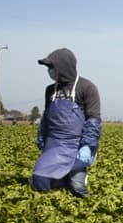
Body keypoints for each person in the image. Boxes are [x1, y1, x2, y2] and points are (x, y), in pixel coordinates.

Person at [31, 48, 101, 197]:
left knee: (77, 187)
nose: (49, 70)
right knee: (39, 181)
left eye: (51, 67)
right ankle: (62, 178)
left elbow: (93, 120)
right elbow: (46, 119)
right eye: (48, 67)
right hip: (54, 145)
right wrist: (42, 140)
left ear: (63, 66)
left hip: (76, 146)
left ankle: (76, 176)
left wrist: (87, 146)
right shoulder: (50, 90)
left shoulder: (86, 87)